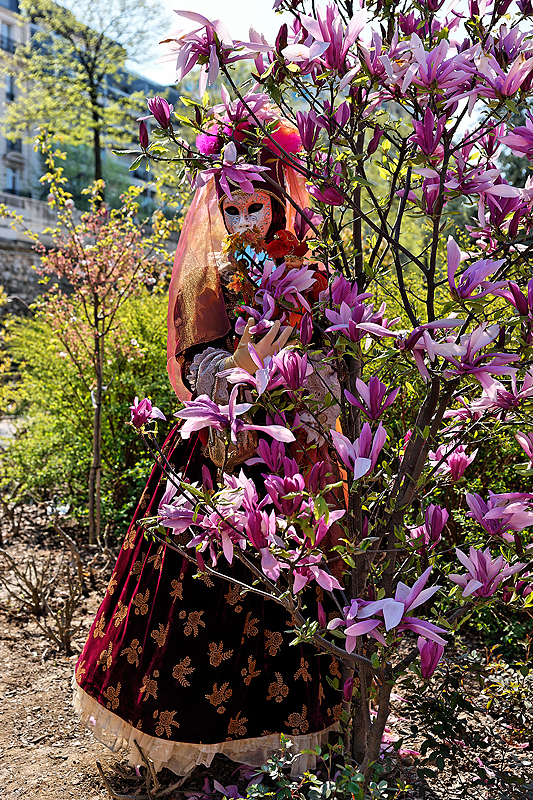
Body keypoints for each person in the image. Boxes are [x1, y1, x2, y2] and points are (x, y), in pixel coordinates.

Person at [72, 120, 343, 778]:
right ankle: (194, 748)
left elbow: (336, 357)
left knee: (292, 591)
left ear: (280, 202)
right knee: (200, 589)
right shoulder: (208, 280)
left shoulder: (311, 273)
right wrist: (252, 363)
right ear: (217, 209)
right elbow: (203, 366)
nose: (246, 220)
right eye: (233, 208)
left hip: (293, 456)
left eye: (258, 206)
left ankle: (287, 744)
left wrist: (314, 384)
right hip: (216, 449)